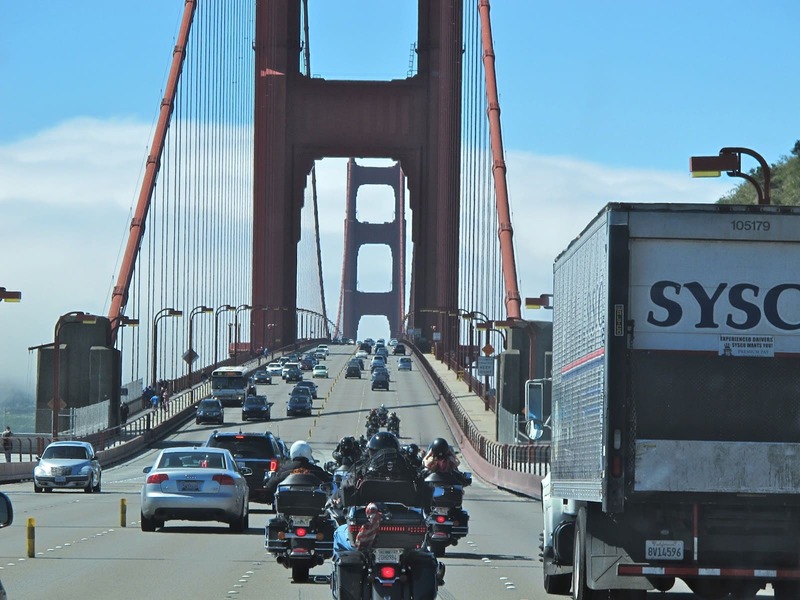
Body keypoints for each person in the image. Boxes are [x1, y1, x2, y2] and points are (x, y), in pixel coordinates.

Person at [263, 440, 332, 502]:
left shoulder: (285, 469)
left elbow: (271, 485)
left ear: (292, 452)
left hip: (288, 506)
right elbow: (329, 482)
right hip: (312, 506)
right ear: (308, 453)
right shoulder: (317, 470)